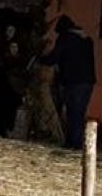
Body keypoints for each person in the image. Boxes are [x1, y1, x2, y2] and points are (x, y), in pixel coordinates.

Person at [39, 15, 96, 149]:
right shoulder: (86, 39)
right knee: (80, 112)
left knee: (73, 112)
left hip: (74, 81)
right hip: (88, 81)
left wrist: (42, 59)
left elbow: (55, 57)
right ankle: (78, 143)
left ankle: (73, 144)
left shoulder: (65, 38)